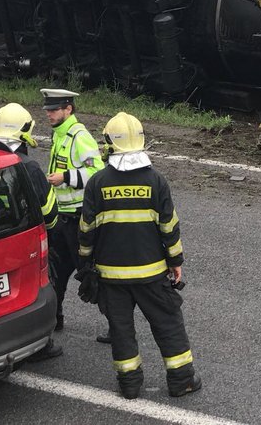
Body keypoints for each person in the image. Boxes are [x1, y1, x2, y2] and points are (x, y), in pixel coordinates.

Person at [78, 112, 200, 400]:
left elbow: (86, 231)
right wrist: (176, 261)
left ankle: (130, 385)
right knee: (168, 323)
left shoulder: (97, 183)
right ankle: (182, 380)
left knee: (121, 331)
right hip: (152, 274)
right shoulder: (156, 181)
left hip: (110, 277)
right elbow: (169, 226)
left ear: (109, 143)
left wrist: (85, 263)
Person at [0, 102, 63, 361]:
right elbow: (50, 213)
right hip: (26, 241)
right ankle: (40, 344)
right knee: (37, 290)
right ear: (23, 132)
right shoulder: (28, 168)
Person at [41, 88, 104, 334]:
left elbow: (97, 172)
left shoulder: (79, 136)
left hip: (78, 217)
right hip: (61, 217)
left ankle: (116, 324)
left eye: (54, 109)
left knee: (88, 272)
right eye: (48, 109)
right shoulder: (60, 134)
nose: (49, 114)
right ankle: (53, 320)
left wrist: (65, 177)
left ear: (68, 109)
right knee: (56, 271)